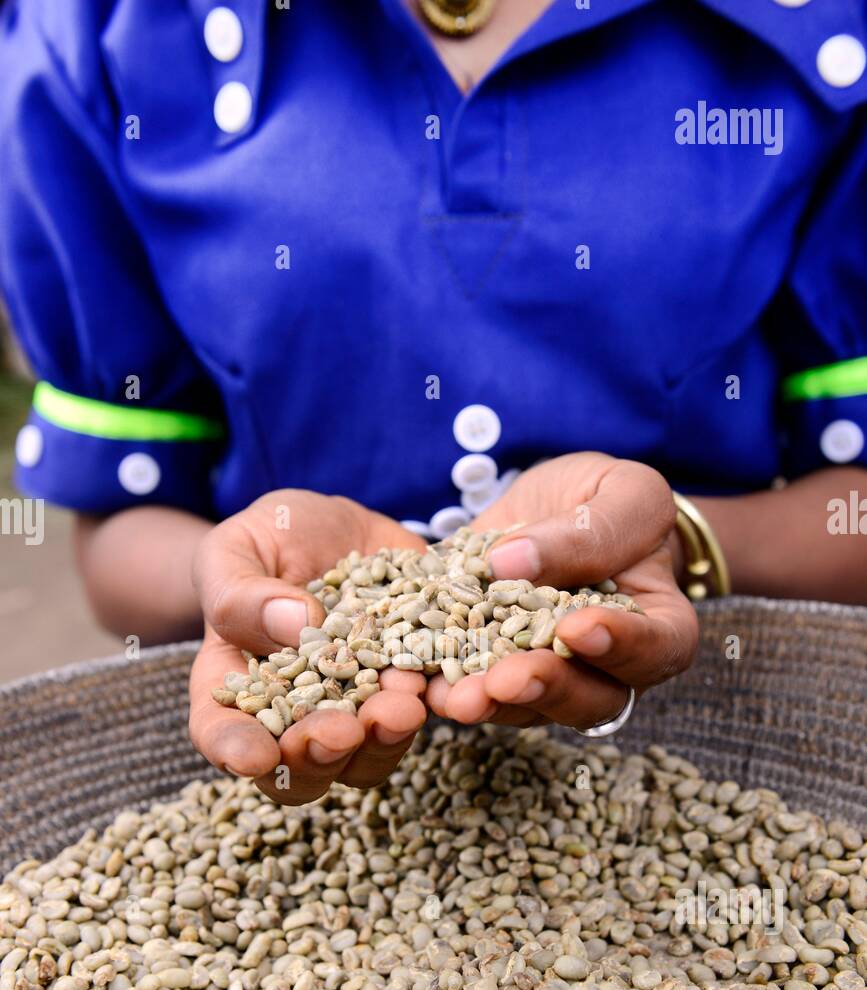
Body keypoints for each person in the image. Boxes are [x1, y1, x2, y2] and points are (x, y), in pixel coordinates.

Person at [2, 0, 865, 806]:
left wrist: (680, 539)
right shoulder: (106, 32)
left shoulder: (817, 25)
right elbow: (119, 531)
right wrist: (240, 585)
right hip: (306, 797)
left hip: (721, 752)